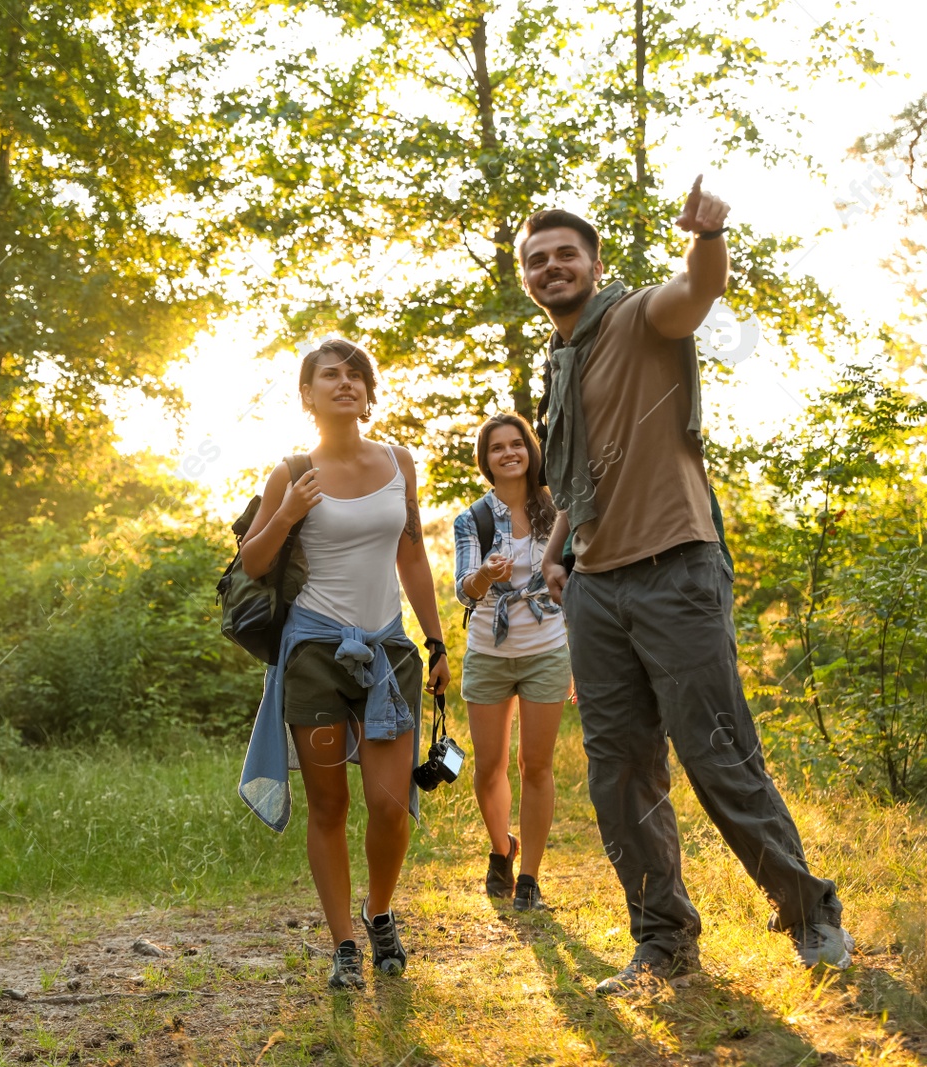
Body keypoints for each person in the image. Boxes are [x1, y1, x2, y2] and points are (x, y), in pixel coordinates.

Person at [522, 176, 851, 997]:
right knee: (620, 771)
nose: (552, 267)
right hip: (596, 588)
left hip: (675, 568)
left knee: (715, 751)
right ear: (526, 278)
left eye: (567, 254)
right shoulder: (559, 360)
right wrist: (558, 555)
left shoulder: (637, 318)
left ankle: (809, 914)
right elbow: (576, 482)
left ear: (595, 265)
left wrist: (706, 239)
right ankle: (663, 940)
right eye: (537, 259)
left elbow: (697, 292)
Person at [237, 338, 451, 990]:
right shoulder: (291, 471)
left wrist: (437, 641)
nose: (345, 381)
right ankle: (344, 945)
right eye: (329, 374)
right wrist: (290, 512)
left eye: (355, 373)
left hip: (387, 652)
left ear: (368, 390)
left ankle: (379, 910)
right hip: (314, 655)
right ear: (308, 394)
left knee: (389, 805)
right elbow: (253, 560)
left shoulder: (399, 463)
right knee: (328, 805)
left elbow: (412, 555)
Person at [453, 413, 569, 912]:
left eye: (516, 444)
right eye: (497, 447)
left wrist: (581, 658)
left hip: (547, 649)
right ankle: (503, 849)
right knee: (489, 767)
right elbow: (464, 590)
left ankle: (529, 879)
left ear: (530, 450)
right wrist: (483, 574)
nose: (508, 453)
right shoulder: (471, 519)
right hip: (488, 652)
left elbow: (578, 584)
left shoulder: (558, 509)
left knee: (535, 766)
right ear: (486, 459)